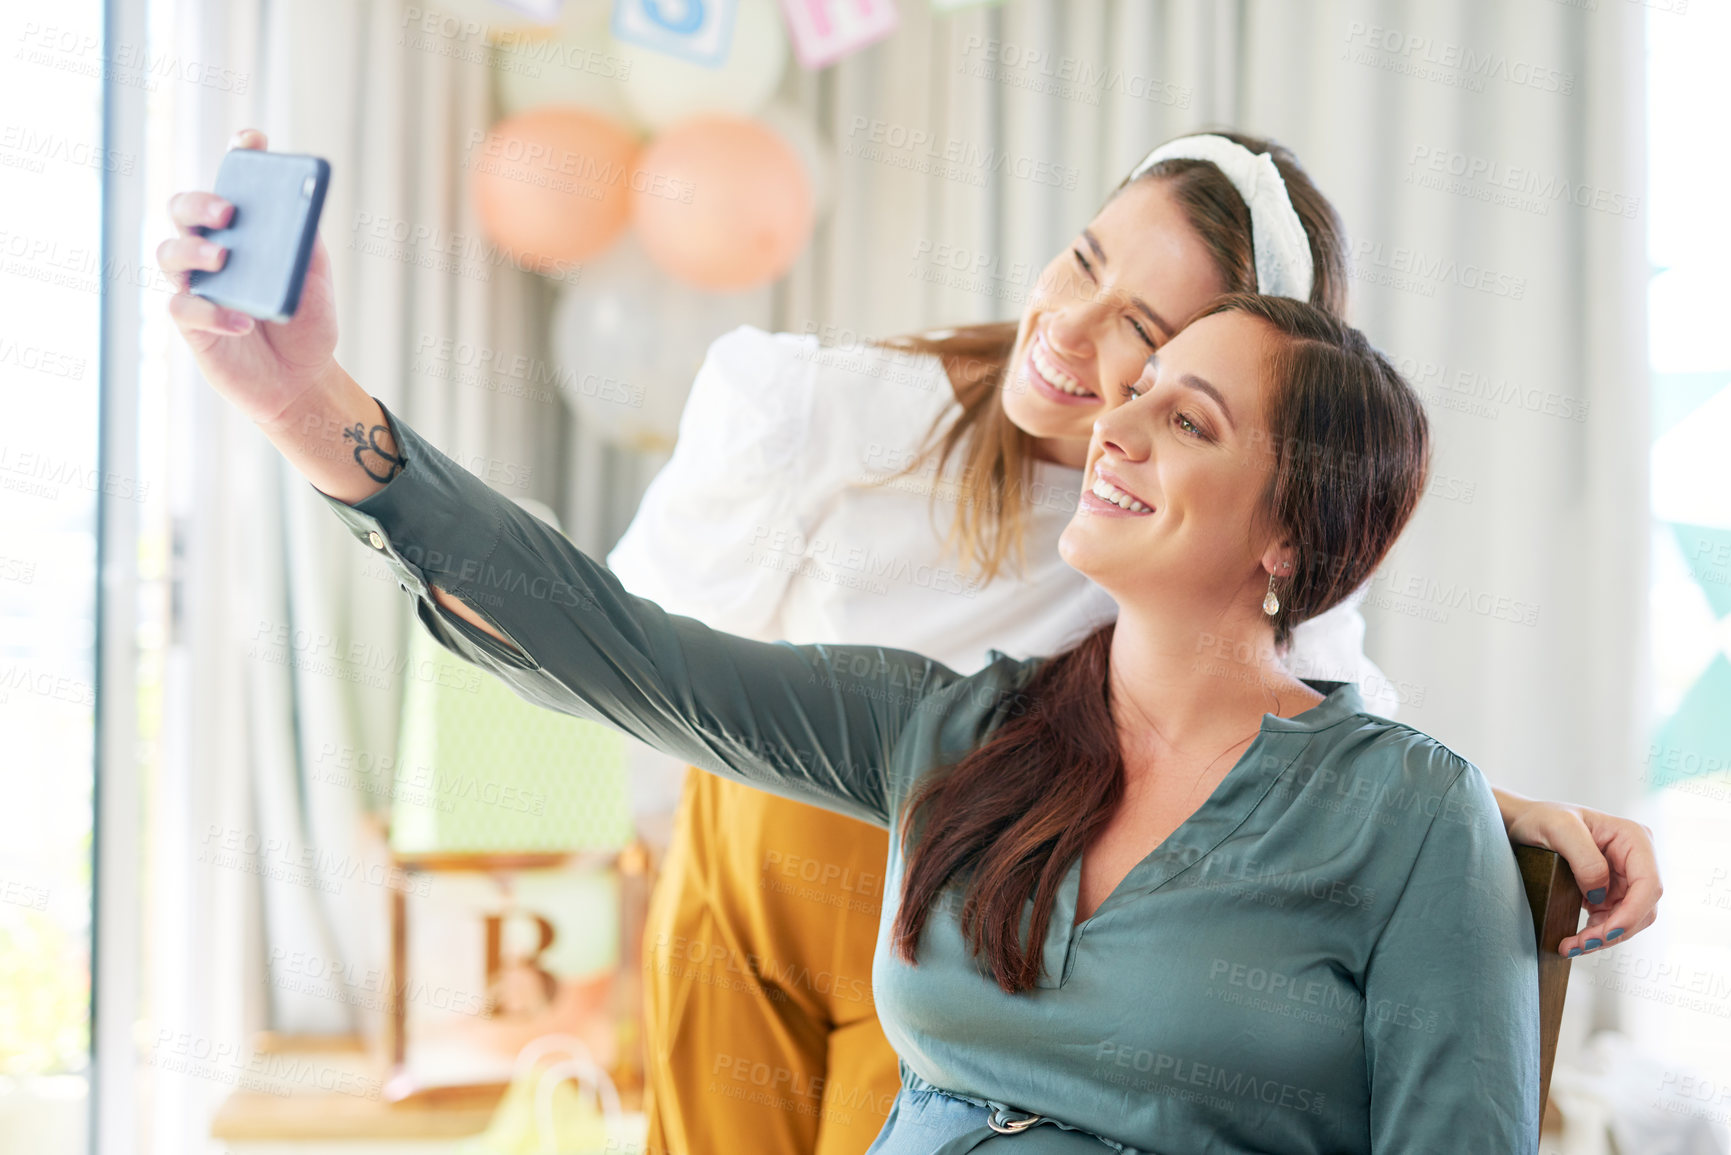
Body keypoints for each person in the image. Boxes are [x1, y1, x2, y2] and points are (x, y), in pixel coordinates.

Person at [159, 128, 1654, 1154]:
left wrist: (1488, 813)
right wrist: (308, 406)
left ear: (1288, 531)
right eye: (1091, 287)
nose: (1102, 406)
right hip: (772, 921)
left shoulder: (1400, 812)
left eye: (1175, 397)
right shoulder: (954, 728)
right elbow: (608, 640)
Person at [596, 134, 1661, 1152]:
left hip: (960, 913)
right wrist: (539, 904)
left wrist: (1500, 812)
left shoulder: (1193, 525)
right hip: (744, 888)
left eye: (1145, 340)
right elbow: (616, 650)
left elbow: (1330, 726)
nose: (1067, 328)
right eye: (1083, 263)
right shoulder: (815, 406)